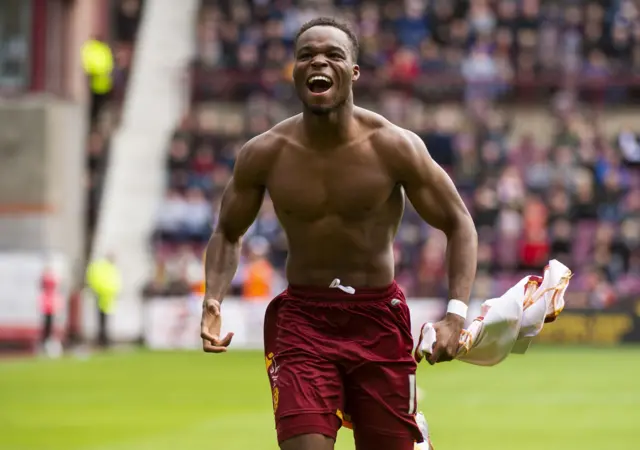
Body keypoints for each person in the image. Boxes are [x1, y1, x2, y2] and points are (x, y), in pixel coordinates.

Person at [200, 17, 478, 450]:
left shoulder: (394, 146)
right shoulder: (264, 153)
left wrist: (456, 314)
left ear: (354, 72)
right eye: (307, 55)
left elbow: (458, 222)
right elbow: (228, 232)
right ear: (294, 70)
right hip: (303, 321)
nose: (319, 62)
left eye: (333, 55)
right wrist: (212, 298)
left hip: (378, 318)